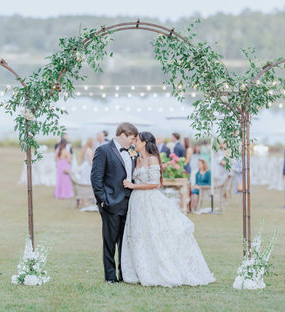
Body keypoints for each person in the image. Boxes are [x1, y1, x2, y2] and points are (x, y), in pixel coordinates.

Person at [121, 131, 215, 287]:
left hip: (149, 200)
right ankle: (141, 267)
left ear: (144, 142)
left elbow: (155, 184)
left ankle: (163, 269)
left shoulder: (152, 159)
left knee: (155, 233)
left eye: (136, 140)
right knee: (140, 234)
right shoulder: (137, 159)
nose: (133, 142)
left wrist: (133, 186)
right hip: (136, 202)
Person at [90, 122, 138, 283]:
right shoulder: (103, 150)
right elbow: (96, 178)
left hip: (130, 203)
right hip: (111, 204)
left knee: (125, 242)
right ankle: (110, 276)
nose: (133, 141)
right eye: (132, 138)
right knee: (110, 242)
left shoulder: (133, 153)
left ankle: (125, 274)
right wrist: (103, 201)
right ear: (123, 135)